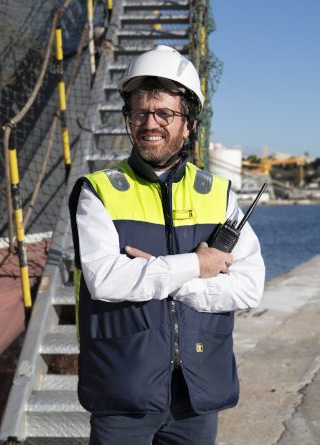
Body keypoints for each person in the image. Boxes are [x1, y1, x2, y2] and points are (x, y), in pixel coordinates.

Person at [68, 45, 265, 445]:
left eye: (164, 114)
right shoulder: (99, 192)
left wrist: (170, 277)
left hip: (196, 397)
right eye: (139, 112)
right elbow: (105, 280)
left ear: (189, 124)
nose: (149, 123)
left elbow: (249, 287)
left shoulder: (219, 194)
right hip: (123, 393)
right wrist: (197, 264)